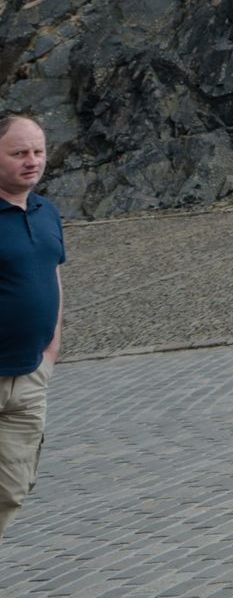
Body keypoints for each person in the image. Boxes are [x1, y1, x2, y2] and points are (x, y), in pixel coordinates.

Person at [0, 115, 60, 548]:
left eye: (37, 151)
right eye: (19, 153)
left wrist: (52, 348)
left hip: (31, 376)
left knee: (11, 490)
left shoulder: (45, 211)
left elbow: (52, 275)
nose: (32, 161)